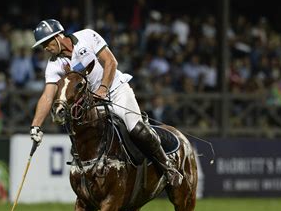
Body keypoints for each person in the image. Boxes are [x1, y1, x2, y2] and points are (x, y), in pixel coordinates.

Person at [29, 19, 182, 186]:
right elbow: (47, 96)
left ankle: (168, 166)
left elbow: (110, 62)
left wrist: (103, 88)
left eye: (46, 42)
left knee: (135, 127)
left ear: (58, 36)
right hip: (92, 103)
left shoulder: (87, 36)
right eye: (42, 45)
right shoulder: (53, 65)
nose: (45, 48)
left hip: (116, 90)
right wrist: (36, 126)